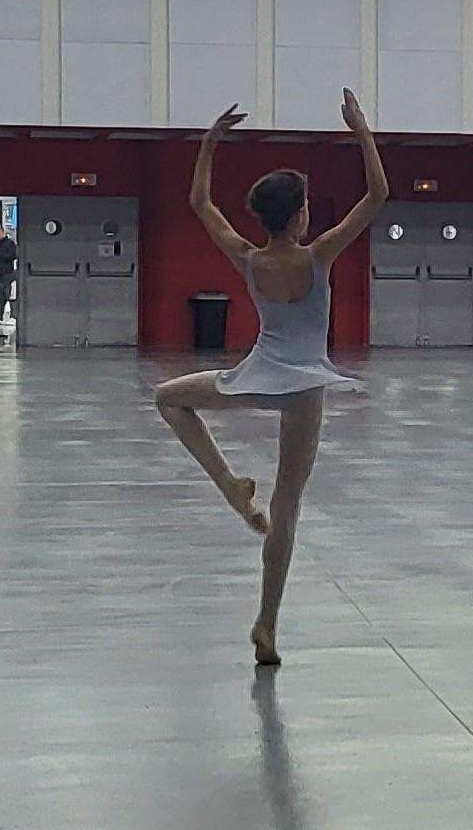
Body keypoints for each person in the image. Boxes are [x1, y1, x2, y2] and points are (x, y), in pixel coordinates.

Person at [153, 92, 388, 668]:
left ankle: (231, 485)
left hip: (256, 375)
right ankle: (266, 624)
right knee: (286, 511)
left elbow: (201, 202)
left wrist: (209, 143)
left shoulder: (248, 258)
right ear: (303, 214)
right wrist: (360, 130)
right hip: (304, 387)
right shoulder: (319, 255)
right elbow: (378, 196)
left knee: (169, 399)